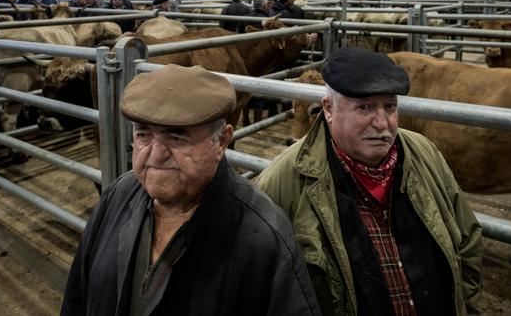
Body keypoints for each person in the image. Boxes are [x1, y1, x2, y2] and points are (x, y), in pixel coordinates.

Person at [61, 65, 321, 315]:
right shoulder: (119, 195)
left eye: (177, 137)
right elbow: (77, 299)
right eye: (143, 135)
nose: (156, 155)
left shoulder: (265, 236)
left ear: (221, 141)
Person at [257, 47, 483, 316]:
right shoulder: (285, 179)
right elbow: (262, 281)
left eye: (390, 107)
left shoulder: (424, 153)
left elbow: (467, 238)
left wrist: (464, 305)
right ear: (329, 109)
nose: (382, 123)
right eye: (364, 107)